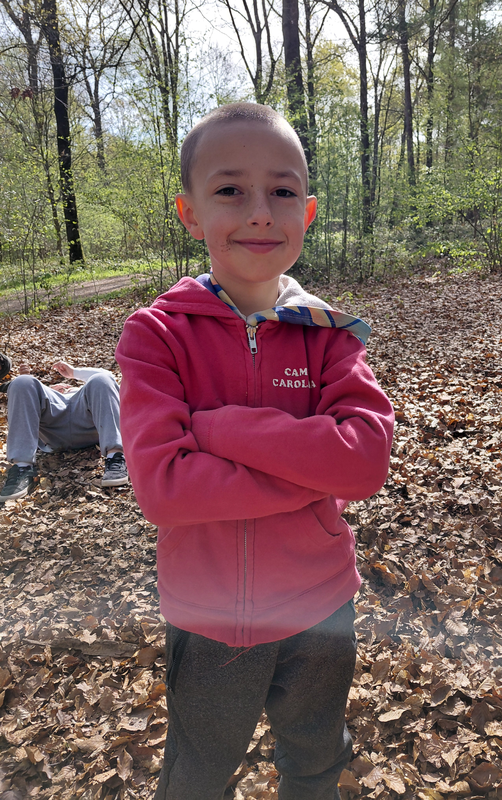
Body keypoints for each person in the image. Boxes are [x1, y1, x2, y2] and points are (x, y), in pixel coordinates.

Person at [115, 102, 394, 800]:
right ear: (189, 213)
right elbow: (164, 488)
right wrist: (312, 469)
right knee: (198, 772)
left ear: (309, 210)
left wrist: (219, 429)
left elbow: (364, 461)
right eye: (231, 190)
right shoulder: (157, 335)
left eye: (283, 190)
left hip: (320, 606)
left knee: (315, 759)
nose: (261, 213)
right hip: (209, 618)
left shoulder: (329, 334)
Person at [0, 359, 128, 501]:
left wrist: (74, 372)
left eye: (65, 387)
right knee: (21, 382)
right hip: (52, 424)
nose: (63, 388)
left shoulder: (85, 391)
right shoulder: (48, 393)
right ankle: (22, 468)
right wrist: (26, 382)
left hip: (86, 418)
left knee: (102, 379)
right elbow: (28, 394)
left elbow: (107, 376)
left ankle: (115, 456)